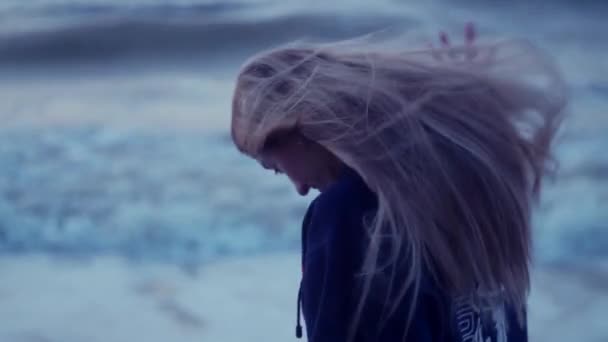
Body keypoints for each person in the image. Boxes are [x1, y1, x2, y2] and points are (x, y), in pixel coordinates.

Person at [229, 24, 566, 341]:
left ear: (297, 128)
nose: (299, 187)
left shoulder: (347, 217)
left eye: (276, 167)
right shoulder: (471, 198)